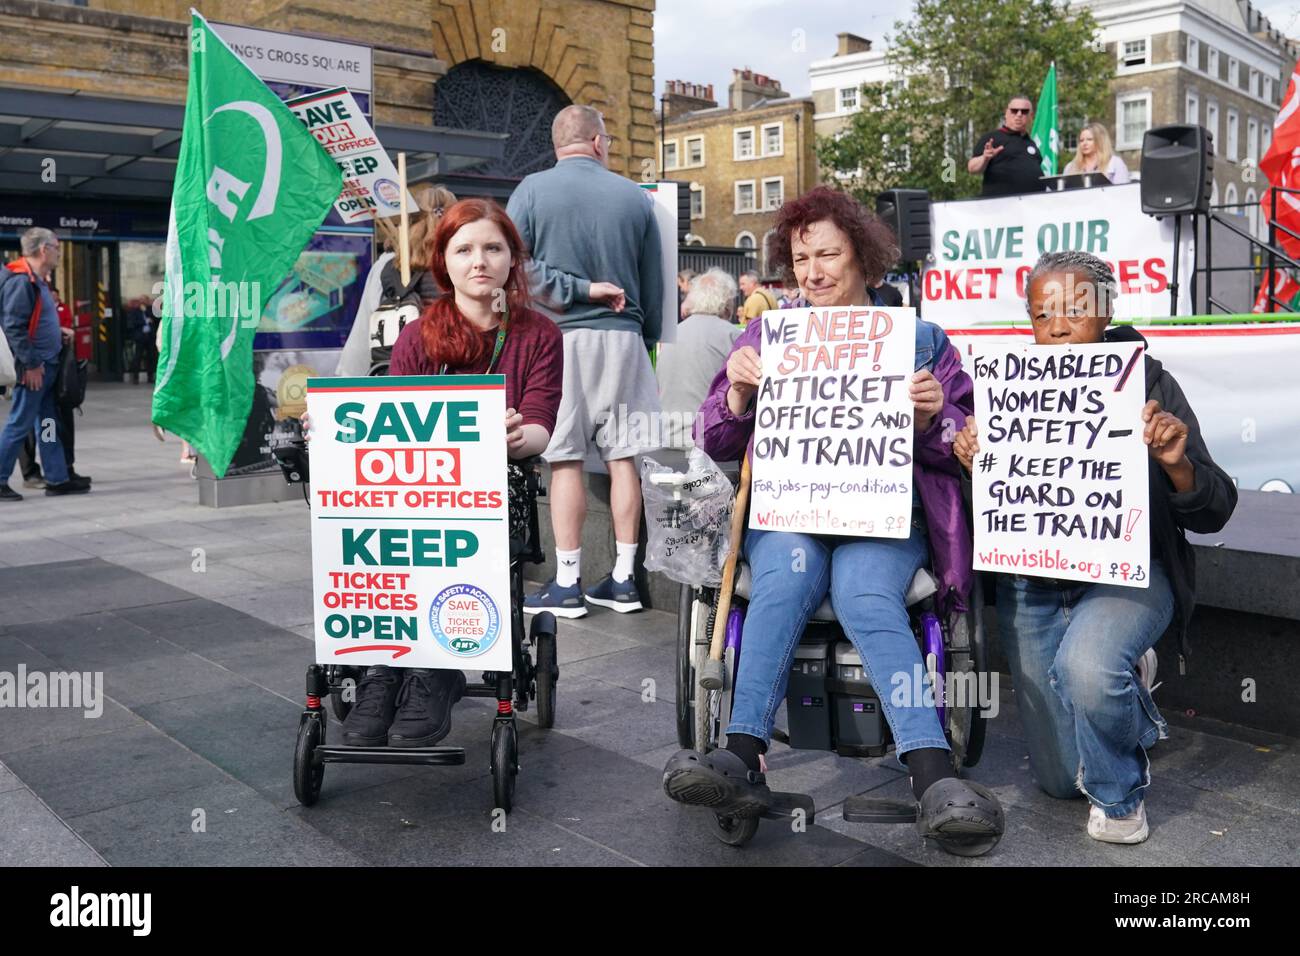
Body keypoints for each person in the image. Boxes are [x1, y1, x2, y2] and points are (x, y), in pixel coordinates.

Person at [661, 187, 1005, 856]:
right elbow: (714, 440)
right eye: (800, 258)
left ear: (863, 259)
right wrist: (735, 392)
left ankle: (931, 772)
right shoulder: (768, 335)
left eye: (828, 255)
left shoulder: (921, 339)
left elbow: (964, 445)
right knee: (785, 581)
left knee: (864, 594)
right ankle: (740, 753)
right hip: (791, 508)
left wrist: (937, 418)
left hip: (880, 513)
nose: (812, 272)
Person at [953, 250, 1236, 844]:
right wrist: (971, 462)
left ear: (1106, 311)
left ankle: (1121, 796)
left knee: (1087, 669)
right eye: (1040, 316)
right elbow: (986, 509)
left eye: (1073, 312)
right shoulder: (1009, 390)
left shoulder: (1150, 382)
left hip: (1129, 575)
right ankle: (1122, 679)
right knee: (1059, 779)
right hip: (1030, 581)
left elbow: (1217, 507)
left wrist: (1177, 465)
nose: (1056, 327)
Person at [322, 198, 564, 748]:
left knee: (457, 527)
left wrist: (515, 436)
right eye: (464, 249)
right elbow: (393, 428)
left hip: (497, 486)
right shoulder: (418, 337)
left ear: (511, 259)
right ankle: (384, 669)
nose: (479, 261)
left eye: (492, 248)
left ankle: (436, 669)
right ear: (444, 262)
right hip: (418, 488)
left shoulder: (539, 335)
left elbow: (543, 424)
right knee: (377, 530)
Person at [509, 104, 663, 619]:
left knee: (564, 458)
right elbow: (653, 280)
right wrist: (649, 336)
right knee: (625, 458)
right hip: (625, 338)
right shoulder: (635, 197)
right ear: (598, 142)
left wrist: (572, 290)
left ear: (558, 144)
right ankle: (623, 579)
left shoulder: (530, 190)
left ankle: (568, 583)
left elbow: (514, 267)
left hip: (557, 339)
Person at [0, 228, 88, 501]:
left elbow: (30, 322)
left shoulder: (34, 279)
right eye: (57, 248)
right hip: (36, 369)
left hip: (46, 366)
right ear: (43, 250)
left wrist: (55, 333)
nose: (59, 253)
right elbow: (14, 326)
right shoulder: (21, 281)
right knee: (19, 423)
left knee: (47, 422)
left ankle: (57, 476)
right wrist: (32, 363)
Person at [335, 185, 457, 378]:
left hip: (394, 381)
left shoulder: (386, 266)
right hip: (455, 379)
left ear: (407, 222)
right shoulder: (462, 265)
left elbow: (362, 339)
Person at [655, 269, 743, 450]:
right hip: (710, 443)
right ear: (725, 302)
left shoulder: (672, 334)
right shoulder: (731, 335)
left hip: (667, 438)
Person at [969, 95, 1044, 197]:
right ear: (1006, 113)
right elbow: (972, 168)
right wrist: (985, 158)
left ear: (1031, 116)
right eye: (1014, 111)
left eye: (1024, 111)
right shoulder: (992, 138)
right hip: (1001, 206)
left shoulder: (1031, 143)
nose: (1019, 115)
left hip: (1031, 205)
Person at [1063, 123, 1131, 184]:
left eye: (1089, 139)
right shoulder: (1070, 167)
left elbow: (1123, 192)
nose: (1084, 143)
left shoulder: (1115, 163)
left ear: (1100, 141)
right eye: (1081, 140)